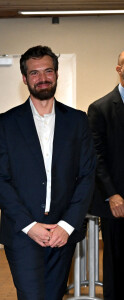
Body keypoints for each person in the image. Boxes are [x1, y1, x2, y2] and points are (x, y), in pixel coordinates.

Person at [0, 45, 96, 300]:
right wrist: (29, 225)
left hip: (63, 231)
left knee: (53, 296)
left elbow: (87, 176)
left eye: (48, 71)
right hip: (23, 232)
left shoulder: (78, 121)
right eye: (34, 73)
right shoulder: (6, 123)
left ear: (57, 74)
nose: (42, 78)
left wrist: (67, 225)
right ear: (25, 79)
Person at [87, 50, 124, 300]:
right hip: (118, 202)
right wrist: (112, 194)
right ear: (119, 69)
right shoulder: (100, 109)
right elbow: (96, 158)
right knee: (118, 265)